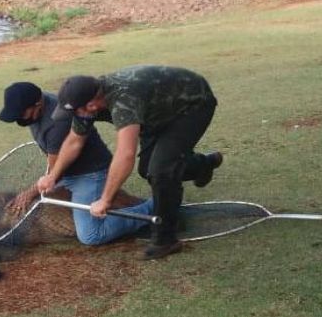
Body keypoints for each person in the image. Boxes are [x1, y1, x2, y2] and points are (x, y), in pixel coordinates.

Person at [35, 66, 223, 260]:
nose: (74, 117)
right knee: (147, 170)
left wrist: (105, 200)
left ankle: (165, 239)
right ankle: (202, 165)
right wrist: (53, 176)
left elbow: (125, 154)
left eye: (75, 112)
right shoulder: (88, 105)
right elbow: (75, 141)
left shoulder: (123, 100)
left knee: (160, 171)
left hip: (191, 105)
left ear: (91, 105)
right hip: (155, 112)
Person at [0, 82, 154, 246]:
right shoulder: (38, 106)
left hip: (90, 174)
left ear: (38, 103)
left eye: (22, 113)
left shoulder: (56, 124)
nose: (19, 118)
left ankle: (154, 207)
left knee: (91, 235)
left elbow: (55, 172)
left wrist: (29, 193)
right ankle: (114, 200)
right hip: (66, 171)